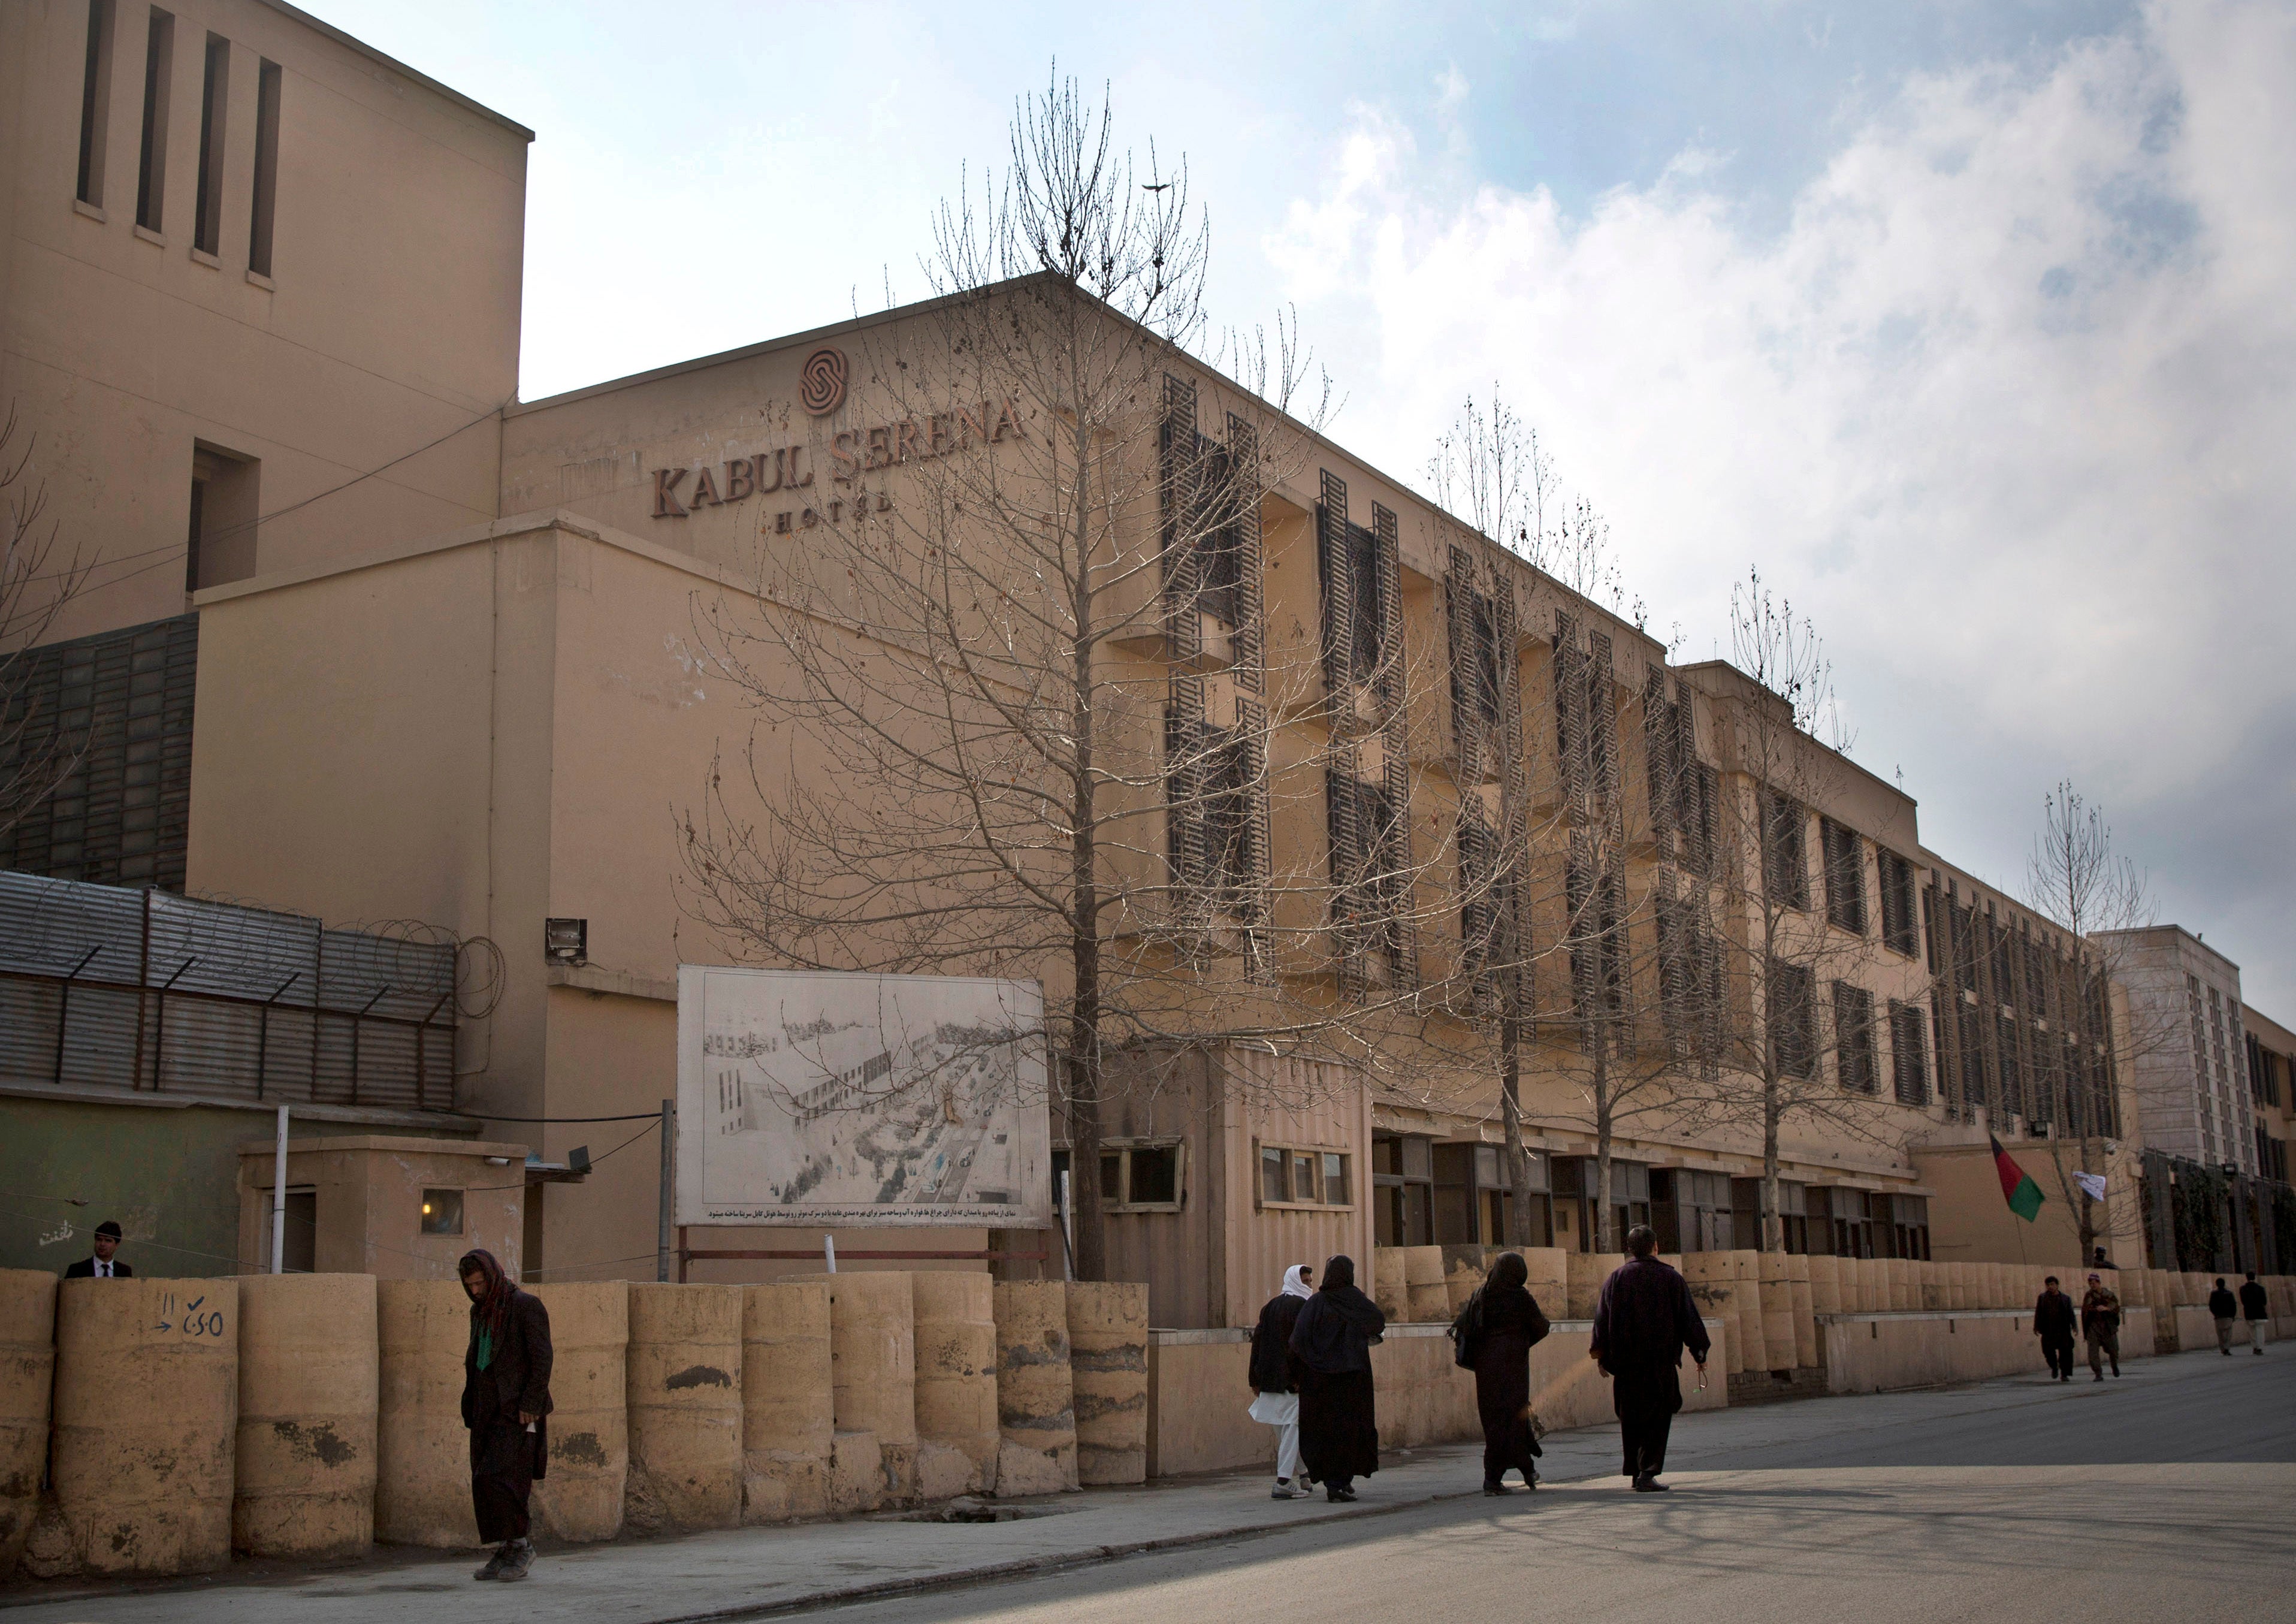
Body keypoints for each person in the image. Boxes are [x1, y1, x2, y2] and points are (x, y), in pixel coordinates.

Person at [1590, 1225, 1710, 1492]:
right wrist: (1699, 1351)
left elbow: (1602, 1320)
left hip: (1627, 1366)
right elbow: (1688, 1319)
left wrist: (1600, 1355)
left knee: (1631, 1418)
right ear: (1655, 1247)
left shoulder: (1617, 1278)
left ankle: (1637, 1472)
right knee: (1657, 1418)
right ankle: (1647, 1472)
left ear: (1630, 1249)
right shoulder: (1670, 1278)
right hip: (1659, 1364)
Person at [460, 1249, 552, 1581]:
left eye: (480, 1283)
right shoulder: (479, 1313)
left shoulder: (526, 1306)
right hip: (486, 1409)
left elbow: (542, 1359)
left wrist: (532, 1402)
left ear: (494, 1275)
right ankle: (506, 1548)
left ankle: (522, 1546)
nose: (476, 1290)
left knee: (505, 1478)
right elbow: (477, 1360)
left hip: (517, 1410)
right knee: (484, 1479)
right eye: (469, 1285)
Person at [1288, 1253, 1384, 1502]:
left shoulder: (1316, 1303)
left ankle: (1337, 1481)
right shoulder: (1355, 1300)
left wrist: (1311, 1365)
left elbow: (1298, 1340)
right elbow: (1377, 1321)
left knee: (1325, 1431)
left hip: (1319, 1383)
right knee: (1350, 1429)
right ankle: (1340, 1482)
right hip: (1352, 1380)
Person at [1452, 1251, 1551, 1495]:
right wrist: (1521, 1341)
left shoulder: (1482, 1295)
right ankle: (1523, 1470)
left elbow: (1464, 1326)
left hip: (1486, 1371)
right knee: (1514, 1419)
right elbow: (1542, 1327)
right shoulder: (1521, 1298)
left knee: (1494, 1422)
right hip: (1513, 1369)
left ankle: (1495, 1478)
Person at [1249, 1264, 1313, 1499]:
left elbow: (1257, 1343)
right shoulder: (1302, 1308)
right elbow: (1299, 1347)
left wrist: (1253, 1378)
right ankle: (1284, 1481)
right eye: (1305, 1281)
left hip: (1269, 1379)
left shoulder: (1271, 1306)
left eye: (1309, 1281)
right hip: (1290, 1382)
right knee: (1293, 1427)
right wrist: (1300, 1377)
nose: (1309, 1286)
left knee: (1284, 1428)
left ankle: (1304, 1474)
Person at [2033, 1276, 2077, 1381]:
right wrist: (2036, 1327)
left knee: (2065, 1353)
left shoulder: (2065, 1298)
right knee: (2048, 1352)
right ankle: (2054, 1367)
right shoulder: (2043, 1298)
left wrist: (2075, 1326)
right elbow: (2038, 1313)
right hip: (2048, 1330)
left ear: (2057, 1285)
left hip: (2063, 1330)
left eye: (2052, 1284)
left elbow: (2071, 1313)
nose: (2050, 1287)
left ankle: (2064, 1374)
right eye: (2048, 1285)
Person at [2080, 1272, 2121, 1380]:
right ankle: (2098, 1373)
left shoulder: (2109, 1295)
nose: (2092, 1285)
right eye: (2090, 1283)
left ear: (2099, 1283)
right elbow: (2085, 1309)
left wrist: (2106, 1308)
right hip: (2093, 1327)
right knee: (2093, 1353)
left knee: (2113, 1350)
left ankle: (2115, 1366)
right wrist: (2094, 1310)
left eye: (2094, 1283)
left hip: (2107, 1327)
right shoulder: (2089, 1296)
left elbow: (2116, 1307)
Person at [64, 1219, 133, 1278]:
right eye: (99, 1239)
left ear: (117, 1245)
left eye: (108, 1241)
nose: (102, 1244)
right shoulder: (77, 1269)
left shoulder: (125, 1271)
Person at [2238, 1272, 2269, 1356]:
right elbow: (2264, 1301)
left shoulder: (2243, 1289)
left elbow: (2243, 1301)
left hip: (2249, 1312)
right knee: (2260, 1331)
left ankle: (2254, 1347)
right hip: (2260, 1312)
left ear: (2247, 1278)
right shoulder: (2260, 1288)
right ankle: (2259, 1348)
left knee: (2251, 1332)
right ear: (2254, 1277)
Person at [2209, 1277, 2238, 1355]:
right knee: (2228, 1333)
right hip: (2228, 1316)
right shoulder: (2229, 1293)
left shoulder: (2214, 1294)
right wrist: (2233, 1316)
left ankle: (2223, 1349)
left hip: (2219, 1317)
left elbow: (2211, 1305)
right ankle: (2227, 1348)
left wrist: (2215, 1314)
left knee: (2220, 1334)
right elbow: (2233, 1305)